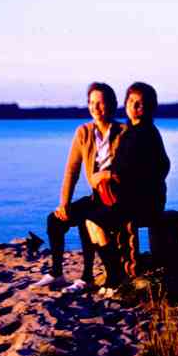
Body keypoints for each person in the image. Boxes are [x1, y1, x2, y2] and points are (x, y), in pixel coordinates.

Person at [30, 82, 127, 292]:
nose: (95, 107)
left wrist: (107, 175)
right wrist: (64, 203)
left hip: (118, 198)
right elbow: (71, 171)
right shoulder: (83, 132)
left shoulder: (124, 132)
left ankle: (87, 277)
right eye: (91, 103)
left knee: (86, 219)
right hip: (97, 196)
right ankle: (56, 273)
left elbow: (131, 170)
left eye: (100, 103)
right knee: (54, 220)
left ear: (112, 104)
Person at [85, 82, 170, 283]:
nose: (134, 106)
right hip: (130, 199)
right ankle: (115, 271)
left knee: (94, 221)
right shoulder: (131, 131)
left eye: (140, 103)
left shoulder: (146, 132)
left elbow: (159, 167)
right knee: (89, 218)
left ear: (149, 107)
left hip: (144, 203)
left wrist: (106, 175)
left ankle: (115, 274)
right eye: (131, 101)